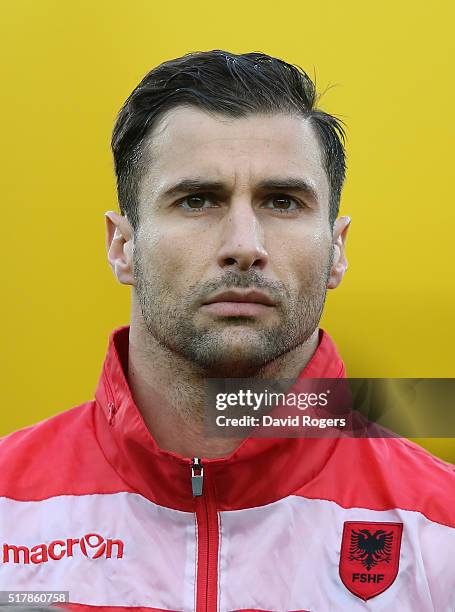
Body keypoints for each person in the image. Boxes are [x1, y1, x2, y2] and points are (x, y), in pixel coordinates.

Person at [0, 50, 454, 612]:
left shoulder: (441, 530)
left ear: (337, 249)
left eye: (282, 202)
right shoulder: (7, 510)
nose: (244, 244)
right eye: (197, 200)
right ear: (122, 245)